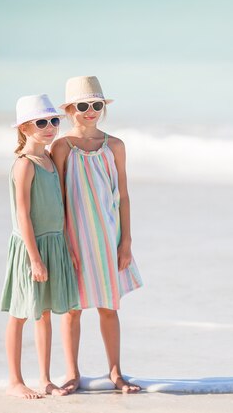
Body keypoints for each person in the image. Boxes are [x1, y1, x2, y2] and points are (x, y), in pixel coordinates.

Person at [51, 76, 144, 394]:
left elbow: (124, 195)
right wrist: (64, 241)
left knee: (109, 306)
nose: (90, 111)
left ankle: (116, 372)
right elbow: (59, 197)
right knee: (72, 309)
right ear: (68, 110)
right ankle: (72, 373)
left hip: (107, 235)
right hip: (75, 237)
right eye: (83, 105)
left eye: (97, 105)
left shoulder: (115, 145)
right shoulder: (61, 146)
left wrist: (126, 240)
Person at [0, 94, 81, 399]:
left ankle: (45, 378)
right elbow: (23, 214)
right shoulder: (24, 164)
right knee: (20, 313)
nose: (50, 127)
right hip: (30, 248)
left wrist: (66, 244)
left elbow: (58, 204)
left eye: (54, 121)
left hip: (54, 243)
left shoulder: (49, 158)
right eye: (42, 122)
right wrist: (34, 258)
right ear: (24, 128)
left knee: (44, 313)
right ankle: (14, 381)